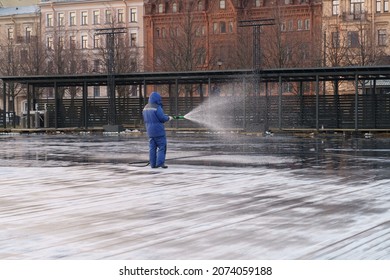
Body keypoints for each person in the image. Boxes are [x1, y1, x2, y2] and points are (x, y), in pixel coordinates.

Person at [142, 91, 173, 168]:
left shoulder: (145, 108)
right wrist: (168, 118)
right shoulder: (157, 107)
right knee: (162, 146)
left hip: (150, 132)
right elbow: (162, 118)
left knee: (152, 148)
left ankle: (152, 164)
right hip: (158, 131)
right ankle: (160, 163)